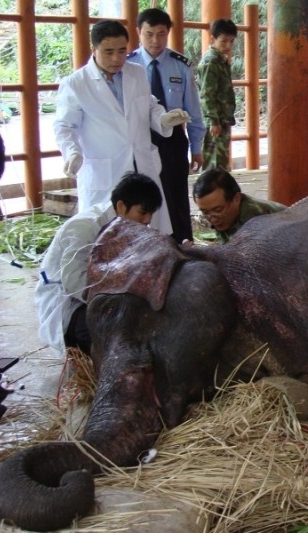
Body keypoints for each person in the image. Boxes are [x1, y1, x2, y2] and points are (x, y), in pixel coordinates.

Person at [53, 19, 191, 235]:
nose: (116, 59)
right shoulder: (76, 83)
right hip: (105, 170)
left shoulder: (136, 72)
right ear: (94, 49)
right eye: (108, 52)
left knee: (150, 231)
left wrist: (162, 119)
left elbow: (149, 104)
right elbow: (64, 126)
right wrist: (71, 152)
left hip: (141, 165)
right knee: (107, 236)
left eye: (121, 51)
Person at [34, 172, 163, 356]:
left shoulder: (129, 224)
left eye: (150, 213)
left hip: (107, 296)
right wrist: (113, 299)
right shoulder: (85, 227)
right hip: (68, 302)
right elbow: (72, 280)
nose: (147, 220)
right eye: (142, 212)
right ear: (121, 206)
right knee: (116, 332)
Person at [127, 8, 207, 245]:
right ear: (139, 32)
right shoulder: (128, 66)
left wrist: (197, 148)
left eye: (161, 34)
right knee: (141, 196)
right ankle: (143, 246)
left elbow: (193, 111)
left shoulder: (180, 65)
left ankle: (182, 246)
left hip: (172, 142)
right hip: (139, 140)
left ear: (168, 33)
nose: (155, 41)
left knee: (176, 196)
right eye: (149, 34)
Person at [193, 168, 285, 243]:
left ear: (236, 199)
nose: (212, 219)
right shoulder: (224, 217)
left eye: (218, 210)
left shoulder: (254, 217)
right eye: (205, 212)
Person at [197, 18, 238, 171]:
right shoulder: (211, 62)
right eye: (224, 41)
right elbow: (206, 94)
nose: (228, 46)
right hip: (216, 120)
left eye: (231, 41)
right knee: (214, 163)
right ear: (213, 38)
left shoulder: (220, 60)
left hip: (222, 118)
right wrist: (213, 120)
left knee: (220, 160)